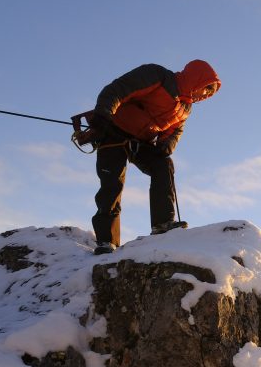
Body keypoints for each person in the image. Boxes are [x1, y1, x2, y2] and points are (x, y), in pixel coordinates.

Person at [87, 60, 221, 255]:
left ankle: (163, 223)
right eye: (206, 88)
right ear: (197, 79)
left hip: (140, 142)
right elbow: (118, 89)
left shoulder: (185, 108)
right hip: (112, 131)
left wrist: (165, 147)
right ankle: (106, 242)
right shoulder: (157, 76)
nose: (206, 94)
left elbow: (174, 132)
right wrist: (103, 114)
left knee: (163, 164)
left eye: (210, 92)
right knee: (112, 184)